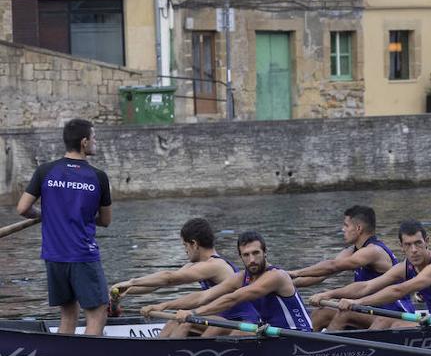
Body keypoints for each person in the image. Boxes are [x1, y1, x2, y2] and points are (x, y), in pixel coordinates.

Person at [15, 118, 112, 336]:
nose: (96, 142)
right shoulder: (98, 177)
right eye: (94, 138)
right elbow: (105, 220)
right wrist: (82, 217)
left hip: (53, 254)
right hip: (82, 254)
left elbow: (23, 208)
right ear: (84, 142)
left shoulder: (45, 171)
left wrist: (46, 215)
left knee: (68, 314)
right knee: (97, 313)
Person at [111, 217, 259, 338]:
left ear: (194, 244)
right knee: (175, 321)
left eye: (185, 246)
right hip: (223, 320)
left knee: (186, 322)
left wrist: (132, 281)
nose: (185, 251)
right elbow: (157, 284)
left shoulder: (216, 265)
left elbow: (169, 278)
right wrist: (126, 290)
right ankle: (155, 352)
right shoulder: (196, 265)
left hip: (243, 323)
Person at [144, 231, 314, 331]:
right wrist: (163, 305)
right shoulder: (242, 277)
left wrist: (194, 313)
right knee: (180, 322)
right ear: (240, 256)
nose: (252, 260)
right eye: (246, 255)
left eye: (256, 253)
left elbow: (234, 298)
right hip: (270, 335)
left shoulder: (276, 276)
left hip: (299, 336)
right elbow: (204, 296)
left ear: (265, 252)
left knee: (236, 332)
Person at [312, 221, 431, 327]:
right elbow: (367, 286)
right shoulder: (405, 267)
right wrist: (329, 294)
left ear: (427, 242)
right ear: (401, 246)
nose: (414, 250)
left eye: (418, 243)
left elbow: (399, 290)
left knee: (387, 321)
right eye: (408, 245)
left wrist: (358, 302)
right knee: (331, 313)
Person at [289, 205, 410, 331]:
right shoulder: (352, 251)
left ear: (358, 228)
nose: (343, 229)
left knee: (346, 313)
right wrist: (287, 283)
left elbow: (332, 266)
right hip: (370, 311)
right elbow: (321, 274)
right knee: (322, 313)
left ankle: (323, 343)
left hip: (393, 312)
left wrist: (295, 273)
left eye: (346, 225)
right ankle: (301, 342)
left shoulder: (373, 251)